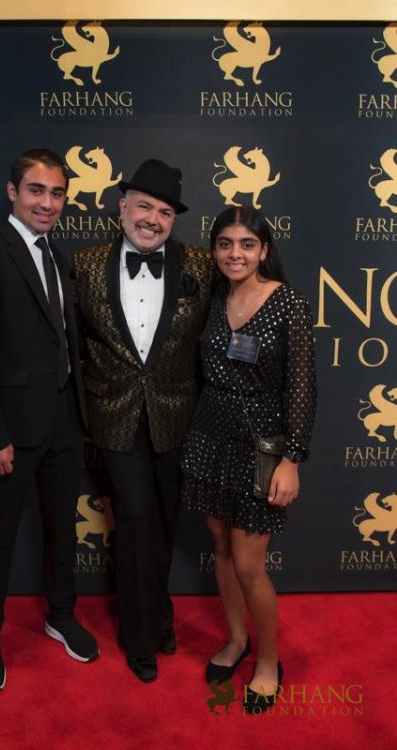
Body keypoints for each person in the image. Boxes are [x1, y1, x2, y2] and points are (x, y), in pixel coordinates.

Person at [0, 148, 98, 694]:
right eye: (37, 190)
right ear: (12, 192)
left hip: (64, 420)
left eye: (57, 193)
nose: (48, 203)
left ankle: (60, 615)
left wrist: (77, 416)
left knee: (63, 527)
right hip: (11, 430)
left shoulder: (58, 254)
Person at [73, 159, 213, 682]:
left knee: (165, 525)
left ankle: (159, 615)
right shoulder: (85, 265)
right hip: (115, 417)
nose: (152, 219)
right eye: (144, 206)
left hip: (177, 417)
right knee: (134, 522)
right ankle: (139, 638)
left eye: (165, 212)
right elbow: (70, 344)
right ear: (122, 206)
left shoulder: (201, 265)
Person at [181, 205, 316, 713]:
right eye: (225, 244)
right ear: (214, 249)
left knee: (248, 565)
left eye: (246, 244)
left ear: (264, 250)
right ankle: (237, 640)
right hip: (210, 434)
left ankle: (268, 661)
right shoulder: (216, 296)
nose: (234, 254)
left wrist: (291, 459)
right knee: (220, 546)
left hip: (260, 444)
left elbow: (301, 386)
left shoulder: (287, 302)